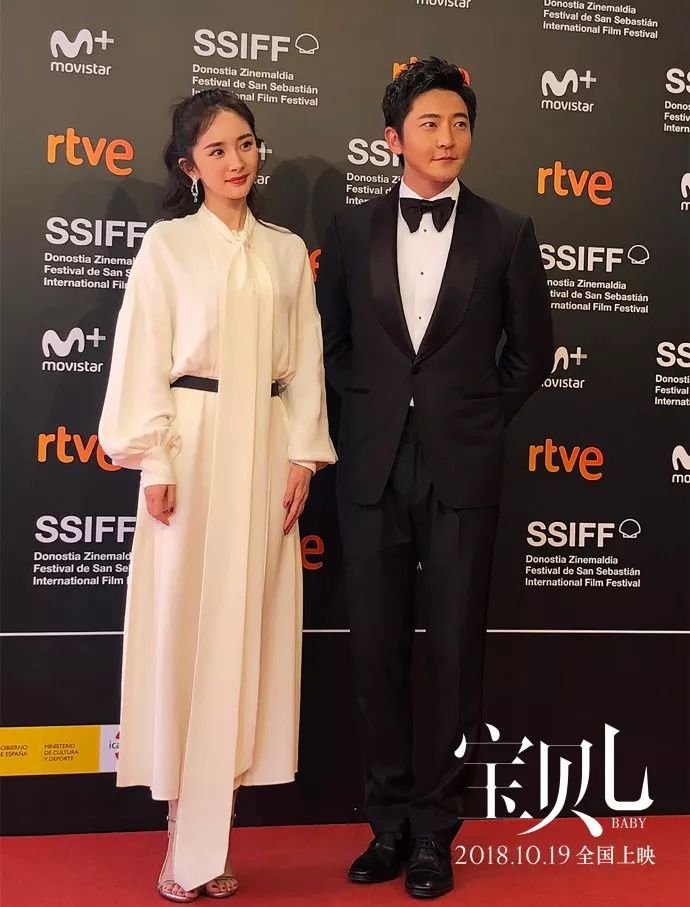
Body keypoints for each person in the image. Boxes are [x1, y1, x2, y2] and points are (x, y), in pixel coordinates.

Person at [316, 58, 554, 899]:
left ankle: (436, 830)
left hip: (463, 466)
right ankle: (386, 823)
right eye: (429, 123)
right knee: (376, 651)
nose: (447, 138)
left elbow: (533, 352)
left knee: (456, 654)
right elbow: (331, 345)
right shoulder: (350, 231)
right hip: (371, 464)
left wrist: (475, 419)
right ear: (393, 138)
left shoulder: (508, 230)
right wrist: (374, 415)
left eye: (459, 123)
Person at [99, 89, 336, 902]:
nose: (237, 162)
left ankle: (214, 832)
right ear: (188, 165)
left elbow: (306, 362)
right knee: (184, 628)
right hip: (191, 449)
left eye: (245, 144)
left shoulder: (286, 251)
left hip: (265, 447)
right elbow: (143, 354)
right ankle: (183, 837)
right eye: (217, 150)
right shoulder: (167, 246)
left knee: (247, 630)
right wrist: (155, 460)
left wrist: (303, 455)